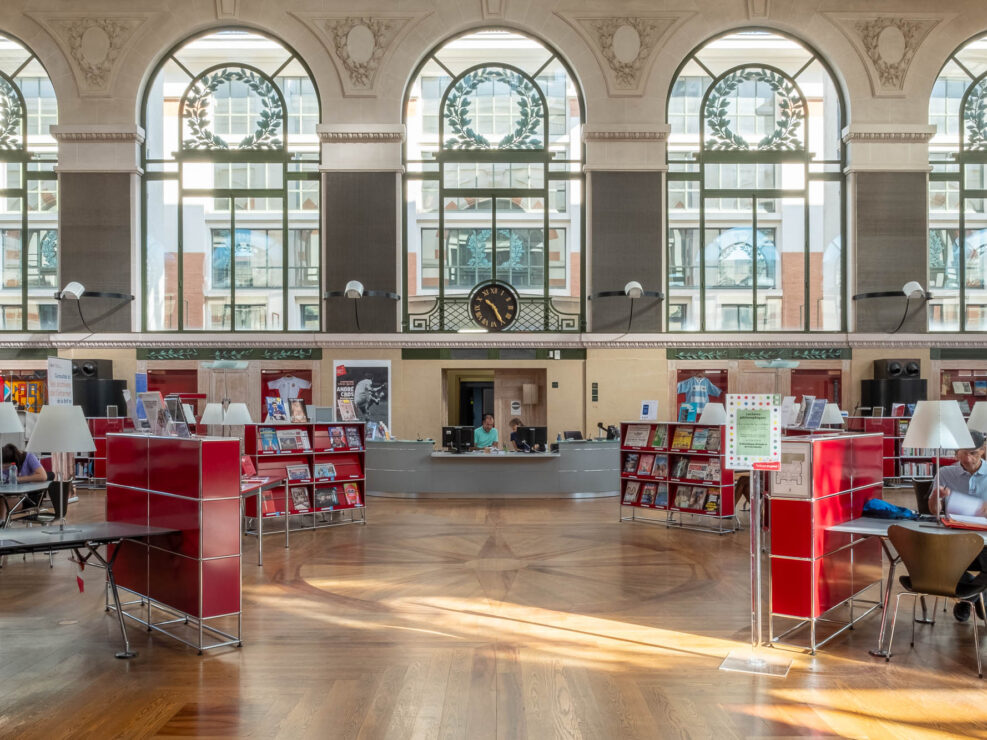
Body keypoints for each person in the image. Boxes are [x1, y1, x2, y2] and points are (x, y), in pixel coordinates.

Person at [927, 430, 987, 621]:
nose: (968, 459)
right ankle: (976, 595)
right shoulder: (945, 473)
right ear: (956, 452)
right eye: (964, 453)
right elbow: (934, 512)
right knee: (937, 560)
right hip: (953, 541)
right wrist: (937, 497)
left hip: (983, 542)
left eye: (974, 453)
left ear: (983, 450)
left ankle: (968, 597)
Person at [0, 443, 50, 520]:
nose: (3, 469)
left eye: (6, 467)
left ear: (14, 462)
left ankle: (2, 527)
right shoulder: (3, 460)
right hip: (7, 495)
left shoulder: (29, 458)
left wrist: (18, 479)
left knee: (2, 502)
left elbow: (43, 476)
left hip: (26, 498)